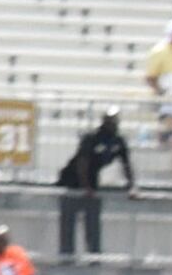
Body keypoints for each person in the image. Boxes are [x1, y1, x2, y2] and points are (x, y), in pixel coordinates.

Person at [55, 108, 135, 256]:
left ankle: (94, 255)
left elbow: (126, 165)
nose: (112, 124)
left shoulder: (118, 141)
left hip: (92, 181)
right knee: (68, 223)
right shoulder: (91, 138)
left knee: (92, 222)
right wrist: (86, 188)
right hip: (72, 181)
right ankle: (66, 255)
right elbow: (82, 163)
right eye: (109, 121)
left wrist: (132, 187)